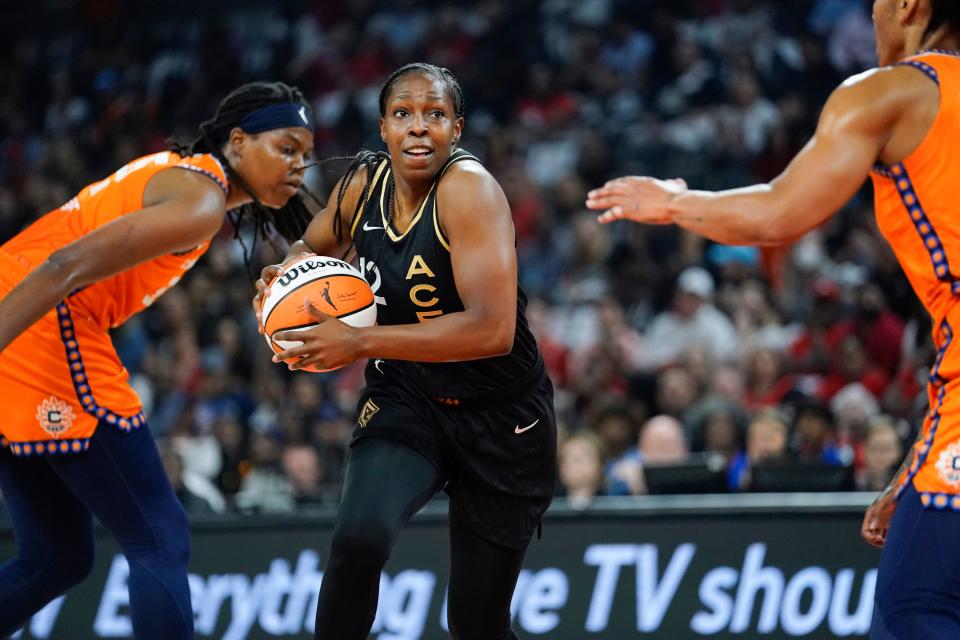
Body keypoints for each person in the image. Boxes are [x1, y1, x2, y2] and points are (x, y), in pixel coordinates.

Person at [585, 2, 960, 636]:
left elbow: (779, 212)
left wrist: (677, 202)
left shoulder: (893, 92)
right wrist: (920, 460)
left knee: (916, 612)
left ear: (909, 5)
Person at [0, 80, 316, 639]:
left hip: (20, 305)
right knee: (159, 536)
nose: (298, 166)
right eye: (286, 148)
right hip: (37, 318)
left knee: (57, 556)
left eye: (306, 157)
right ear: (238, 141)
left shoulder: (185, 177)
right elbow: (63, 266)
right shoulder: (201, 201)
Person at [253, 63, 556, 640]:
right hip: (409, 393)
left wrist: (359, 340)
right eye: (404, 114)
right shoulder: (362, 184)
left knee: (475, 624)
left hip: (502, 412)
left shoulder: (470, 191)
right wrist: (281, 283)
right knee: (357, 540)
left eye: (435, 115)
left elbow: (492, 331)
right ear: (385, 128)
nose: (419, 128)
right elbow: (308, 244)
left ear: (456, 128)